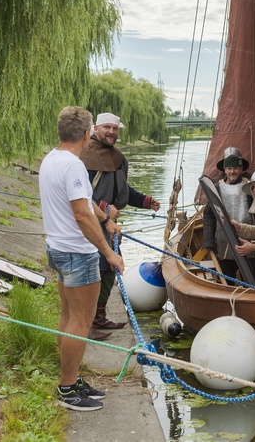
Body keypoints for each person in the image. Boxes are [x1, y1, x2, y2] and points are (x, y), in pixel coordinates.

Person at [39, 106, 126, 412]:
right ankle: (67, 388)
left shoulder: (52, 159)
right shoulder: (74, 166)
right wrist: (109, 252)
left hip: (58, 249)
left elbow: (86, 203)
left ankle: (72, 379)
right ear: (87, 133)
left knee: (68, 317)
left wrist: (105, 220)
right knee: (81, 321)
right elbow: (80, 215)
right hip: (78, 253)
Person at [79, 112, 160, 341]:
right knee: (92, 274)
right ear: (96, 128)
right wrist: (104, 207)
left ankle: (99, 317)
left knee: (109, 271)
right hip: (88, 225)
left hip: (109, 227)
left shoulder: (119, 159)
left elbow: (123, 191)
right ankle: (87, 323)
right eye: (107, 128)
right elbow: (80, 194)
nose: (112, 132)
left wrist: (146, 201)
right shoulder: (84, 157)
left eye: (115, 129)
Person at [202, 147, 252, 282]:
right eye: (229, 168)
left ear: (241, 169)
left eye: (235, 168)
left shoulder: (251, 186)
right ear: (224, 170)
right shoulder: (216, 188)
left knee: (252, 280)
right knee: (227, 281)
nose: (232, 171)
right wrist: (208, 241)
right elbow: (209, 216)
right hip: (224, 243)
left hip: (248, 242)